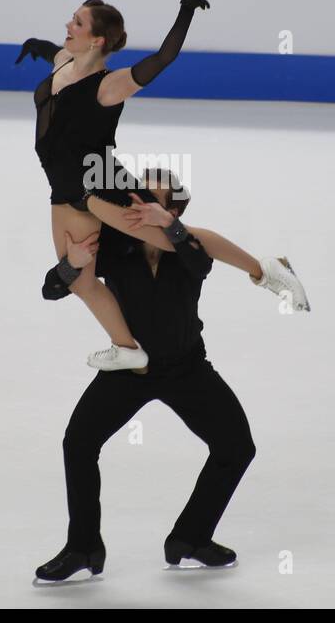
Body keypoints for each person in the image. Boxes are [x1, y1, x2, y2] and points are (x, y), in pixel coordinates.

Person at [18, 0, 309, 372]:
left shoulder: (110, 86)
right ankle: (127, 348)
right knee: (79, 279)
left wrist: (185, 12)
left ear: (98, 39)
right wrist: (34, 46)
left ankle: (266, 268)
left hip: (102, 183)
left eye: (77, 22)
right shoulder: (64, 59)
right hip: (63, 189)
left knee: (176, 238)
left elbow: (163, 58)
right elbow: (49, 50)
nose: (68, 26)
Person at [35, 168, 257, 581]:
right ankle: (83, 548)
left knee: (237, 447)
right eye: (133, 199)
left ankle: (191, 537)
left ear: (173, 209)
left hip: (186, 368)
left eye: (149, 202)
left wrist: (168, 228)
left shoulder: (191, 245)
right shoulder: (115, 244)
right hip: (129, 370)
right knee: (79, 444)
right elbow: (51, 289)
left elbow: (198, 264)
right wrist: (73, 264)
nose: (136, 206)